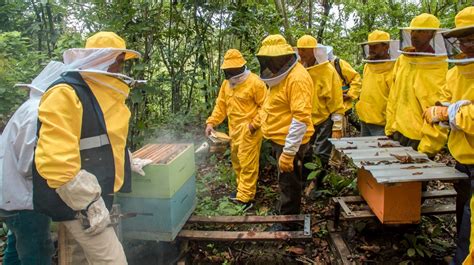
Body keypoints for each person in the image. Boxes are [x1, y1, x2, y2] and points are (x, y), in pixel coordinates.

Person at [33, 32, 145, 264]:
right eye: (119, 61)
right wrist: (89, 204)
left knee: (79, 258)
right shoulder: (65, 93)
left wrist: (126, 160)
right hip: (78, 203)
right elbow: (56, 161)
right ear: (102, 59)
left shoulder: (101, 93)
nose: (120, 68)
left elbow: (104, 139)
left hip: (95, 196)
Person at [422, 7, 474, 265]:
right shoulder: (455, 72)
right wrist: (439, 110)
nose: (467, 44)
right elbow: (446, 102)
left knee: (471, 220)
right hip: (462, 156)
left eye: (473, 38)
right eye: (463, 38)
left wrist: (447, 112)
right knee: (464, 212)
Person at [0, 61, 65, 265]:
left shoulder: (29, 107)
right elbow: (28, 165)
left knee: (15, 250)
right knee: (37, 253)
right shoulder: (38, 111)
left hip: (12, 197)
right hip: (25, 200)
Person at [256, 34, 314, 230]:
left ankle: (289, 222)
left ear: (282, 57)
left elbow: (301, 118)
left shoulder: (297, 78)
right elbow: (273, 106)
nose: (269, 64)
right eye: (267, 60)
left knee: (290, 182)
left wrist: (289, 152)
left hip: (290, 141)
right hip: (281, 138)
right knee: (285, 179)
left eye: (272, 60)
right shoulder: (282, 77)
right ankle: (284, 210)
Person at [205, 49, 266, 209]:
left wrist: (253, 125)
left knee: (248, 164)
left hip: (250, 131)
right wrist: (211, 122)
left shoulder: (255, 83)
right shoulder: (226, 84)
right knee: (237, 162)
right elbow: (221, 105)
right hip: (233, 131)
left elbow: (265, 107)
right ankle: (242, 190)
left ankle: (246, 198)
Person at [385, 13, 448, 156]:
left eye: (421, 31)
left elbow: (438, 110)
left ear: (432, 35)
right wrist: (390, 128)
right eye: (412, 31)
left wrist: (427, 148)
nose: (414, 35)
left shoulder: (437, 65)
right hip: (398, 132)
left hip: (419, 139)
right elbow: (394, 96)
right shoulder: (403, 59)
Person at [296, 35, 344, 188]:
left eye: (304, 50)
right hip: (304, 118)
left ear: (314, 51)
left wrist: (337, 125)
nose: (301, 53)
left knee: (321, 154)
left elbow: (336, 99)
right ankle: (304, 182)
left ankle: (318, 185)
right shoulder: (298, 69)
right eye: (299, 50)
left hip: (324, 119)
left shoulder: (328, 71)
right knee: (304, 152)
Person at [355, 30, 398, 136]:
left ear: (386, 47)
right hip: (364, 119)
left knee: (381, 152)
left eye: (375, 46)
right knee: (364, 151)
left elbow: (395, 100)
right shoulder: (367, 66)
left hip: (382, 123)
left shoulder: (394, 69)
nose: (371, 49)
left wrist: (391, 127)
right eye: (370, 46)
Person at [328, 47, 362, 134]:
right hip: (325, 110)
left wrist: (350, 94)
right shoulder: (317, 66)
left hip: (342, 107)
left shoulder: (339, 63)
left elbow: (356, 78)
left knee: (338, 136)